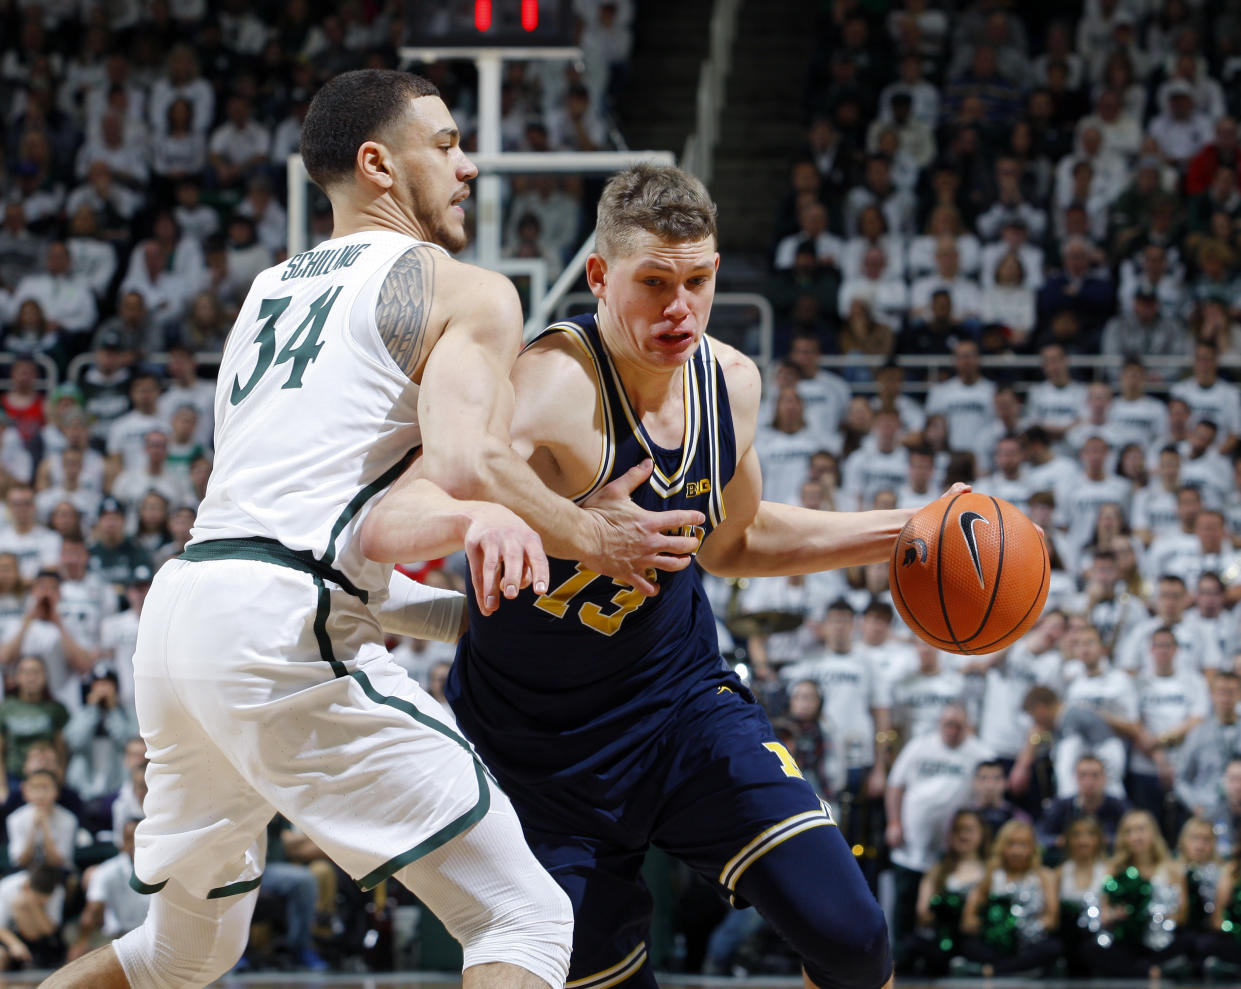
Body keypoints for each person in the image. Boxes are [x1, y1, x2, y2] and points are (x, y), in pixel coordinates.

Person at [45, 69, 705, 989]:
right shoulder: (461, 287)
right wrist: (593, 537)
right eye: (444, 144)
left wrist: (458, 618)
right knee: (523, 914)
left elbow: (314, 532)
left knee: (178, 953)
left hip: (186, 615)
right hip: (279, 628)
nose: (468, 165)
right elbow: (470, 463)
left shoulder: (267, 293)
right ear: (377, 164)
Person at [449, 163, 959, 989]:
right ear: (599, 276)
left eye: (697, 280)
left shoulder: (731, 382)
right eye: (653, 283)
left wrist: (904, 529)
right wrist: (573, 527)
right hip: (538, 757)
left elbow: (735, 540)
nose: (679, 307)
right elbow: (457, 473)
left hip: (681, 710)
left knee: (853, 939)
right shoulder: (548, 386)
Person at [957, 819, 1062, 976]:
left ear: (1033, 847)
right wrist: (995, 929)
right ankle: (1018, 969)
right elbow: (968, 921)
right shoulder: (990, 874)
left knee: (1053, 948)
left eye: (1023, 845)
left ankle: (995, 970)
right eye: (1011, 844)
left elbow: (1052, 920)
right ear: (1001, 846)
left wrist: (1023, 928)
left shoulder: (1045, 876)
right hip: (995, 944)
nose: (1016, 851)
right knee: (967, 945)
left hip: (1030, 942)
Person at [896, 809, 988, 977]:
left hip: (975, 941)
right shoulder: (938, 871)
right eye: (958, 830)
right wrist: (944, 911)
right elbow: (923, 914)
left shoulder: (990, 871)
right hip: (941, 940)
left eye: (969, 830)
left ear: (982, 833)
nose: (963, 835)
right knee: (912, 945)